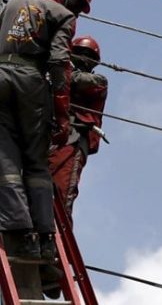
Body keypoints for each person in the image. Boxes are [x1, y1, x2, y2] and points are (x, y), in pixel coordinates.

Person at [0, 0, 94, 261]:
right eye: (78, 7)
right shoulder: (63, 15)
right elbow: (58, 62)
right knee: (35, 160)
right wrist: (62, 115)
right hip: (30, 82)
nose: (77, 14)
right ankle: (43, 237)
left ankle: (17, 231)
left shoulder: (14, 3)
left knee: (3, 155)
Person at [49, 36, 109, 218]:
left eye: (88, 55)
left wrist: (59, 73)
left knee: (63, 188)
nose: (84, 58)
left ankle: (59, 228)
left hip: (74, 139)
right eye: (80, 53)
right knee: (39, 184)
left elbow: (82, 81)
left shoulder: (98, 81)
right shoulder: (59, 80)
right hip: (53, 138)